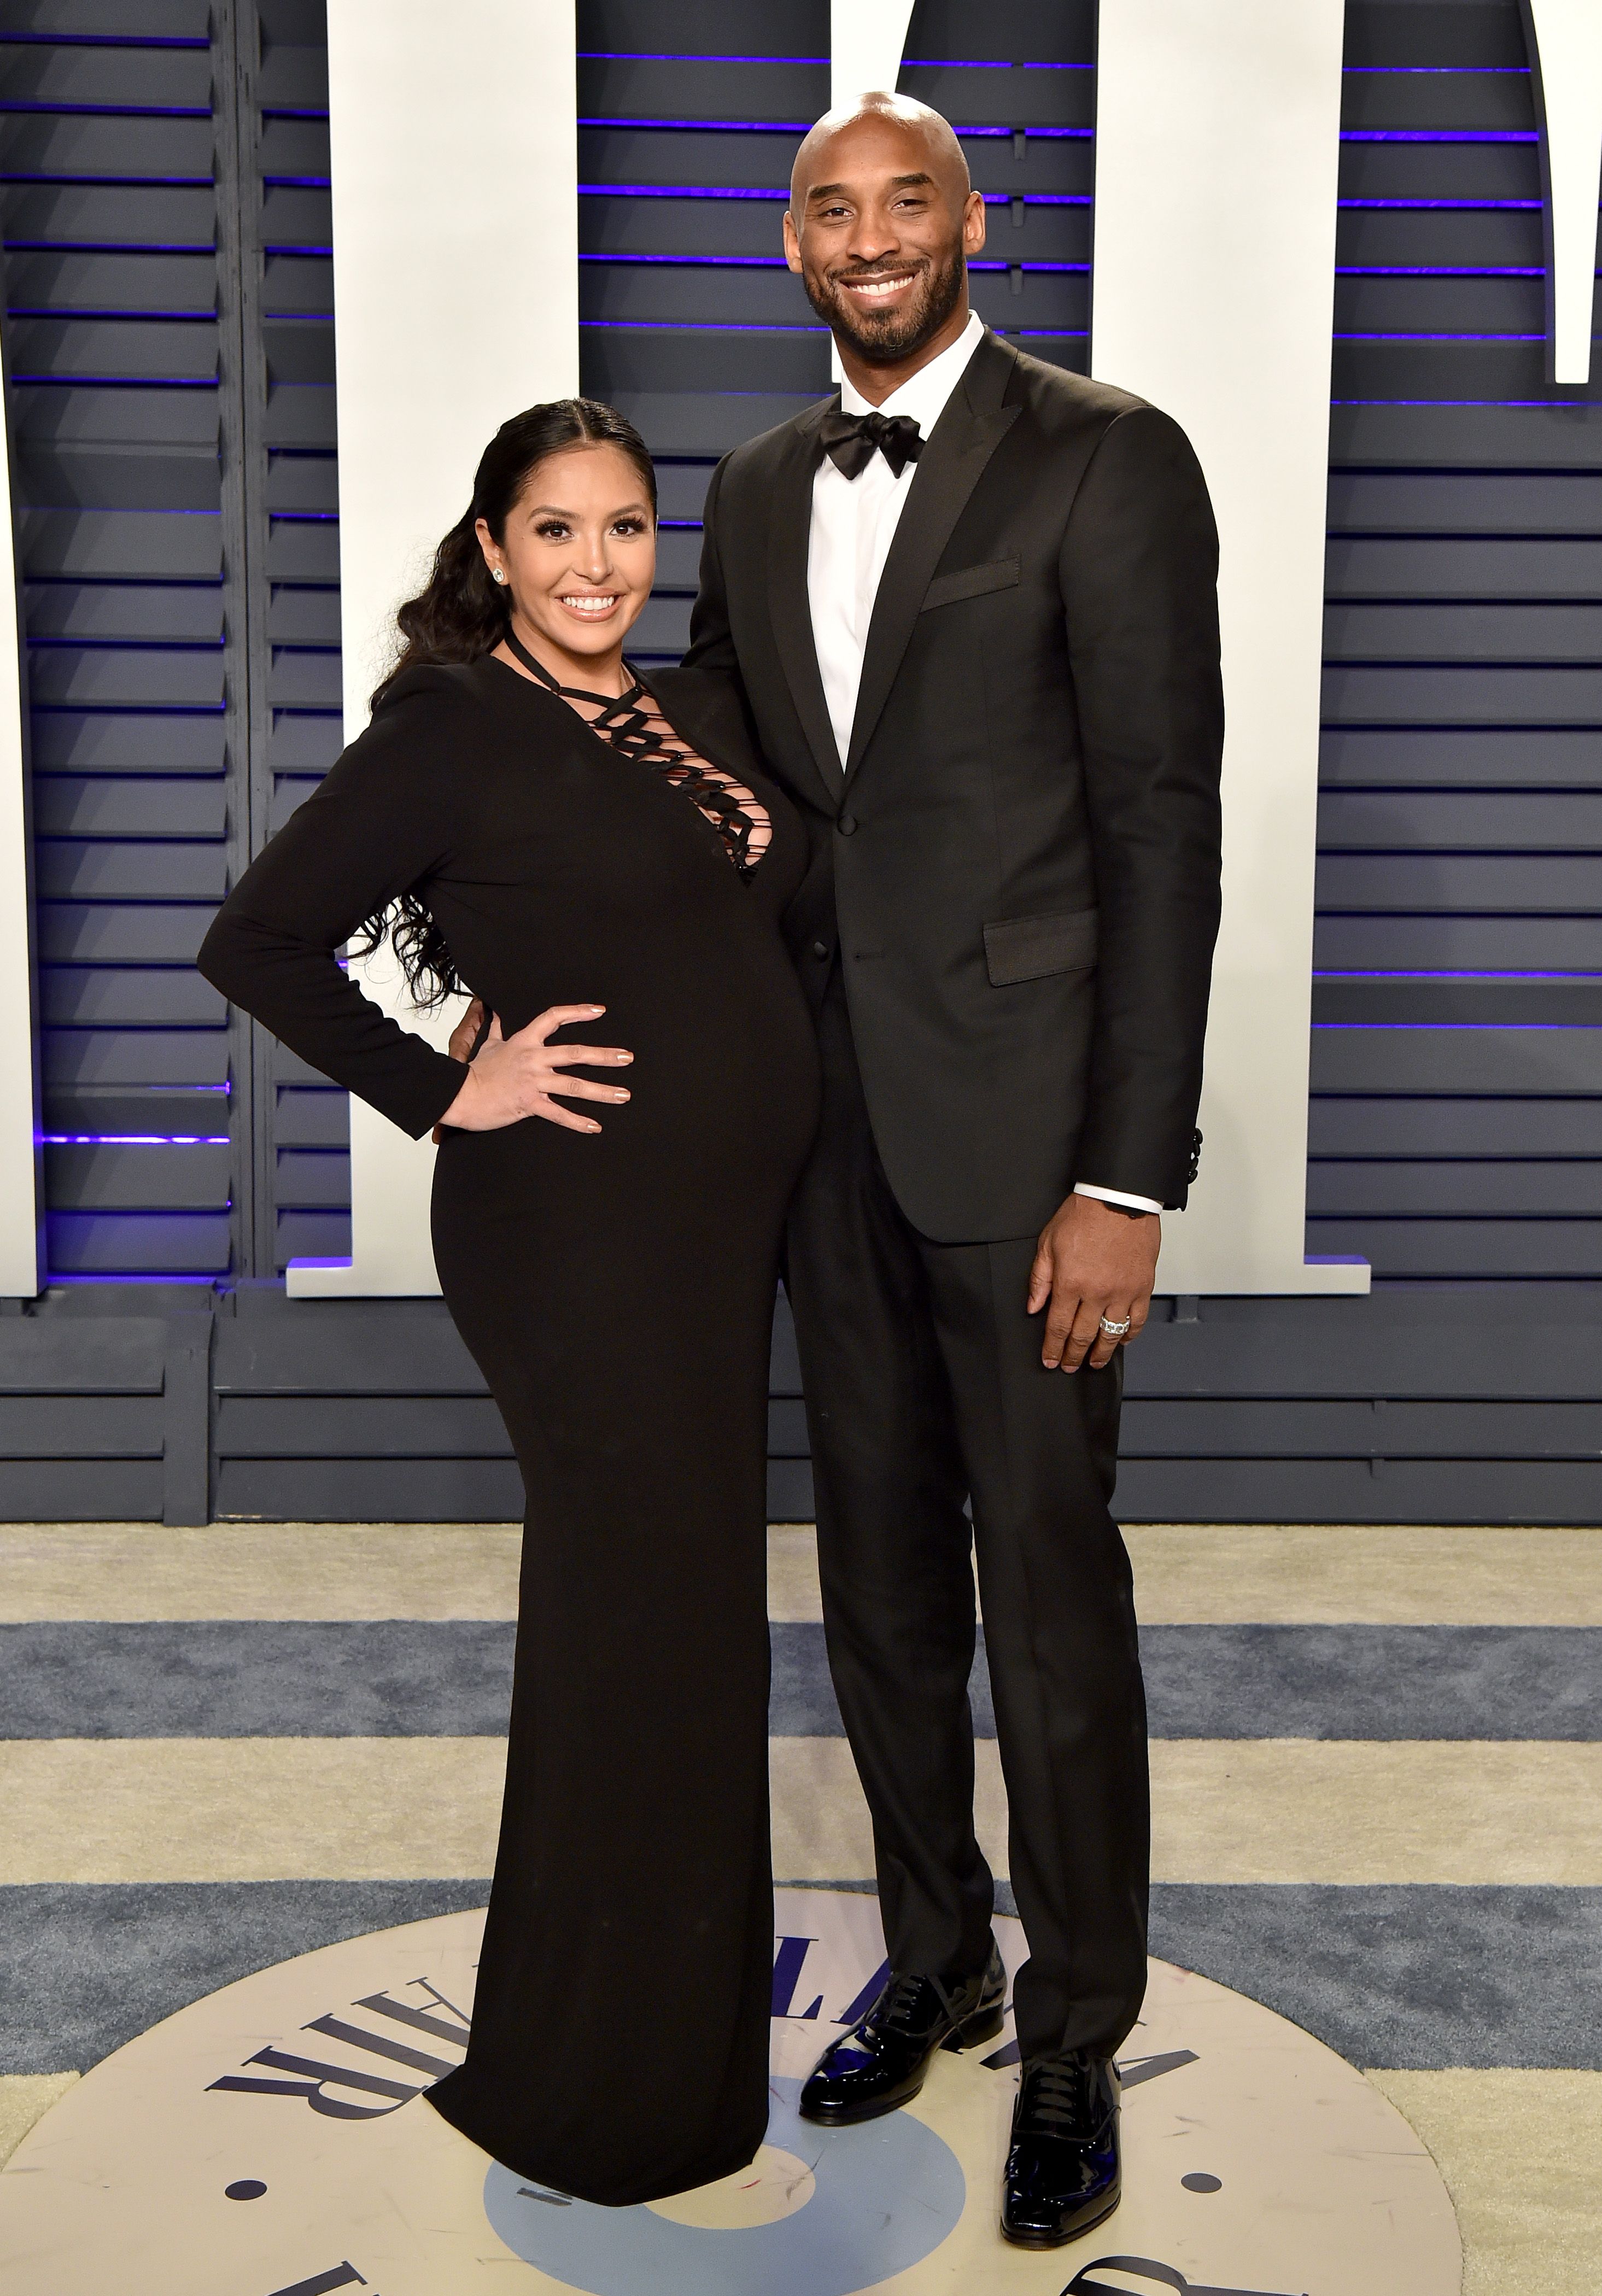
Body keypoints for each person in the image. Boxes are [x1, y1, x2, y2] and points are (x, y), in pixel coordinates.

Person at [682, 94, 1225, 2247]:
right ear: (790, 246)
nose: (869, 235)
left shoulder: (1104, 451)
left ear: (970, 226)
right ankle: (939, 1950)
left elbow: (1162, 832)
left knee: (1051, 1595)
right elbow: (723, 757)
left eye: (907, 201)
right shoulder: (739, 485)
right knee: (880, 1592)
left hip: (1026, 1147)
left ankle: (1078, 2030)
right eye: (830, 206)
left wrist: (1127, 1176)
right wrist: (494, 712)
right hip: (820, 1133)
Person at [196, 400, 820, 2206]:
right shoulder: (453, 727)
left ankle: (658, 2065)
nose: (596, 565)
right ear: (492, 550)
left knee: (692, 1626)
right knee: (648, 1629)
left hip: (715, 1239)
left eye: (625, 528)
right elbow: (253, 938)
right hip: (576, 1239)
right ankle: (595, 2098)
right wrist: (444, 1077)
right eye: (555, 532)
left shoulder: (686, 708)